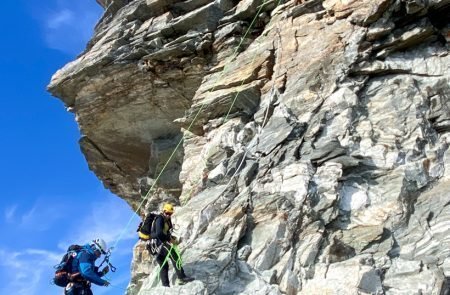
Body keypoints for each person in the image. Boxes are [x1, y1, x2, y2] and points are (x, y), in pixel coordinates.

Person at [151, 203, 194, 287]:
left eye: (170, 214)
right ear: (163, 211)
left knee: (164, 265)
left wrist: (172, 238)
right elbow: (159, 233)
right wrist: (169, 239)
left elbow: (165, 233)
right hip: (159, 244)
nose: (168, 215)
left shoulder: (166, 220)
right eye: (167, 213)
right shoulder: (159, 218)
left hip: (155, 246)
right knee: (175, 257)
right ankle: (181, 278)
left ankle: (165, 286)